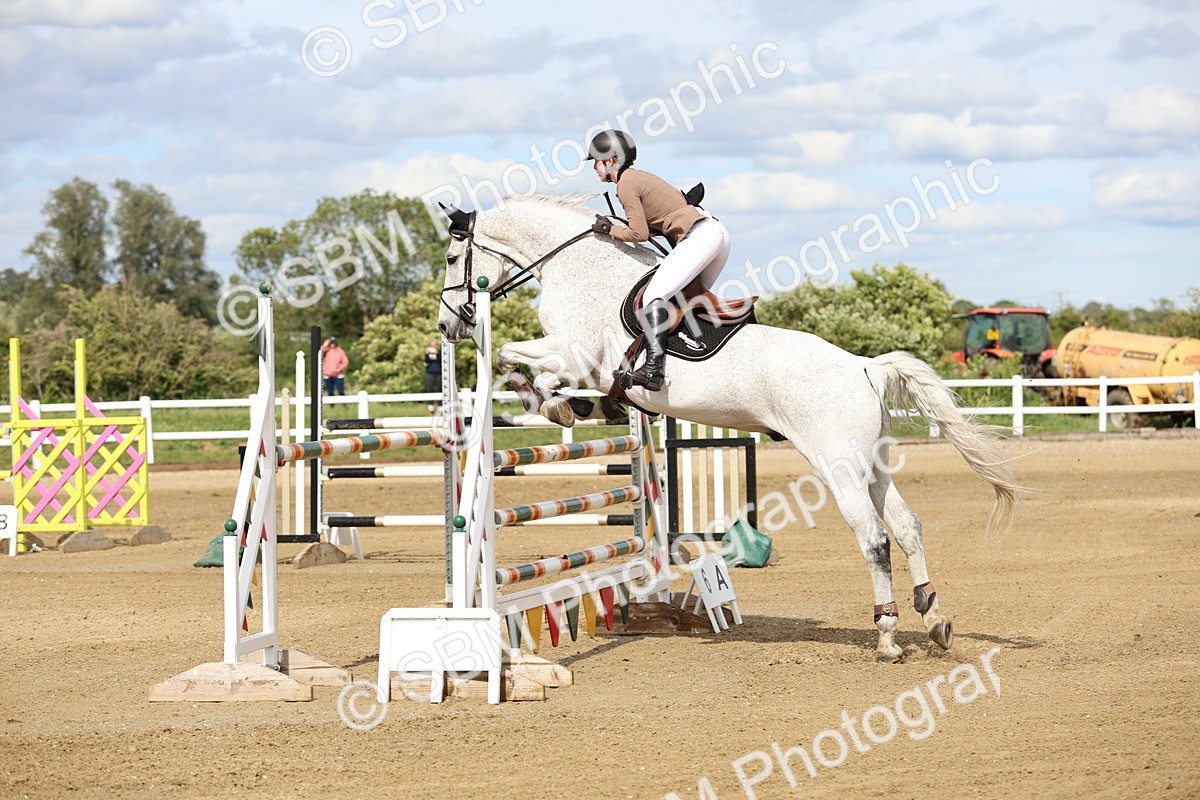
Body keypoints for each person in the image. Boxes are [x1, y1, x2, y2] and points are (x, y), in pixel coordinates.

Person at [588, 129, 731, 391]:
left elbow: (638, 233)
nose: (594, 168)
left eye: (595, 162)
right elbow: (655, 223)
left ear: (610, 161)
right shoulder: (641, 177)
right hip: (717, 235)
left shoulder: (626, 184)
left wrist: (609, 230)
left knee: (653, 296)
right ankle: (694, 356)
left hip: (700, 237)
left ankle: (653, 370)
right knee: (686, 299)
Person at [423, 338, 443, 414]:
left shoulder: (440, 352)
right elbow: (425, 362)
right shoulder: (428, 353)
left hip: (439, 373)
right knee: (430, 388)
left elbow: (441, 360)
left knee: (440, 389)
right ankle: (430, 405)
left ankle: (440, 406)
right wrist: (426, 354)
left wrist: (437, 353)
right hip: (430, 373)